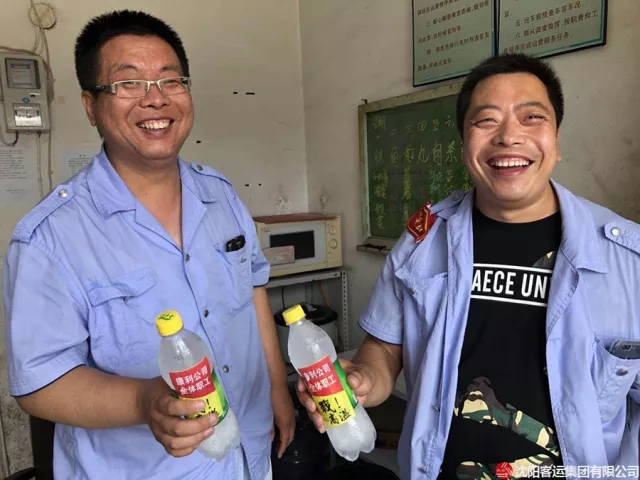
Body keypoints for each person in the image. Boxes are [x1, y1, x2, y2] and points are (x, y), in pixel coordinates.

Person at [298, 53, 640, 479]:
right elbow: (384, 348)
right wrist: (364, 378)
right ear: (463, 145)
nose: (509, 136)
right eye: (486, 121)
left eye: (532, 117)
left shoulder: (627, 260)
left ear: (556, 139)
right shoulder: (423, 241)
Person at [3, 9, 295, 480]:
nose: (155, 99)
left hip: (248, 453)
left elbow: (253, 291)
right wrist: (144, 401)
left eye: (170, 80)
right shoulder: (51, 236)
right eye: (129, 83)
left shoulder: (220, 194)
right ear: (90, 105)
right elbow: (40, 383)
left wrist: (277, 387)